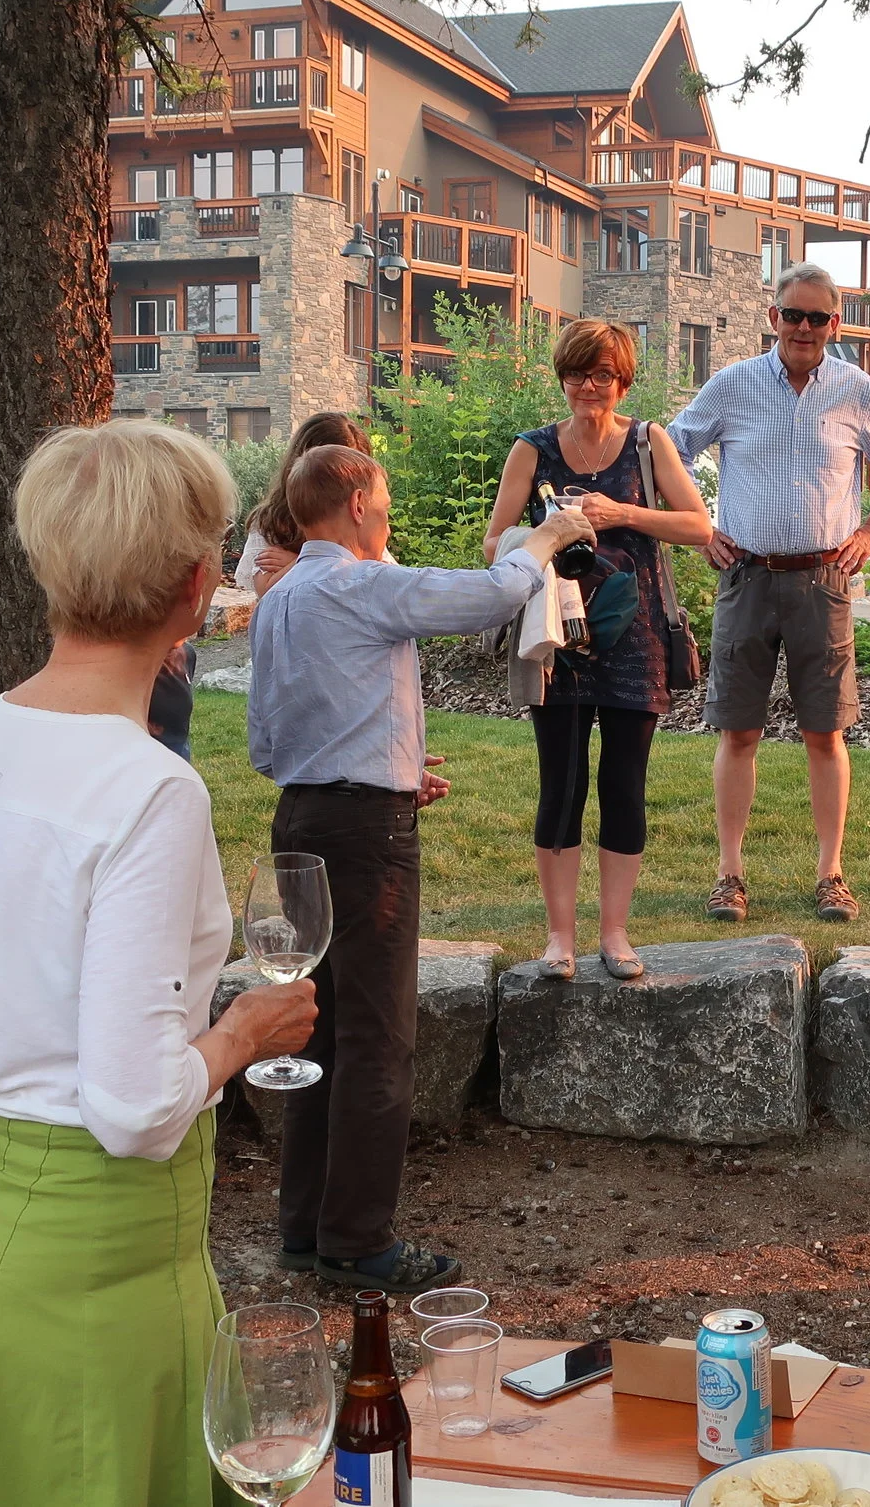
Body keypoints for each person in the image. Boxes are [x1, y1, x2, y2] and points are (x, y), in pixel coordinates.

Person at [0, 421, 321, 1507]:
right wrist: (241, 1033)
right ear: (192, 585)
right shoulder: (149, 789)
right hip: (81, 1276)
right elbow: (131, 1107)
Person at [248, 444, 594, 1292]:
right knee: (378, 1038)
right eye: (387, 494)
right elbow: (488, 594)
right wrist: (545, 539)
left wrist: (386, 764)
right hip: (367, 835)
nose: (391, 510)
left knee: (318, 1024)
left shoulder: (280, 595)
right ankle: (359, 1240)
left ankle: (307, 1228)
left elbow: (267, 739)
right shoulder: (358, 584)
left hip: (300, 814)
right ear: (359, 501)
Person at [667, 261, 870, 924]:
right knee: (739, 731)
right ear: (772, 318)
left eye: (817, 317)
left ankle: (831, 873)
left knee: (824, 732)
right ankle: (729, 874)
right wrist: (700, 529)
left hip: (822, 582)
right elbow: (670, 448)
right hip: (746, 576)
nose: (804, 327)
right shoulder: (733, 385)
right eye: (792, 314)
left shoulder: (854, 389)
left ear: (834, 324)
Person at [481, 319, 712, 979]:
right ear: (563, 377)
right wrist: (544, 534)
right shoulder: (532, 449)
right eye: (579, 373)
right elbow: (493, 541)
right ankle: (560, 938)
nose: (590, 385)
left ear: (622, 380)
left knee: (624, 785)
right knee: (561, 783)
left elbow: (699, 525)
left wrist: (621, 514)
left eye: (603, 374)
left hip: (633, 639)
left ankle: (615, 933)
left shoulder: (647, 442)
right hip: (555, 635)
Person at [240, 410, 374, 595]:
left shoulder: (365, 516)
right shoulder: (271, 521)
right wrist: (310, 560)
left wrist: (300, 562)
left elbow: (375, 576)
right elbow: (267, 591)